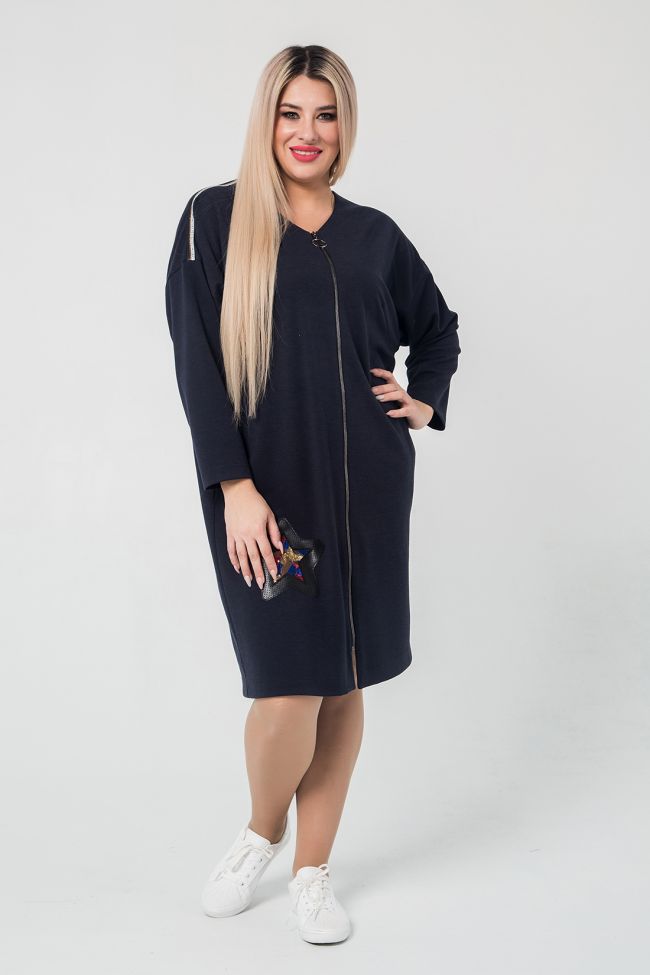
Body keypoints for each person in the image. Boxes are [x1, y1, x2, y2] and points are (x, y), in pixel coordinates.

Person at [164, 44, 461, 945]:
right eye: (291, 113)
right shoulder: (216, 218)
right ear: (268, 120)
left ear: (344, 126)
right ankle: (263, 832)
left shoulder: (374, 236)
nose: (307, 132)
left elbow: (437, 328)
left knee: (343, 678)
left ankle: (313, 871)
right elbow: (197, 363)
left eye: (325, 114)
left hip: (369, 494)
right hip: (273, 505)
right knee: (289, 682)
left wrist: (423, 400)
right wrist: (234, 485)